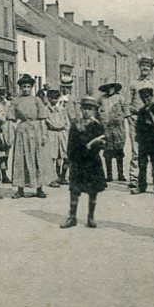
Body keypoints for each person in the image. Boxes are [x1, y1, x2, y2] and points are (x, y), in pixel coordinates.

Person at [60, 97, 107, 229]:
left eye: (90, 109)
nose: (86, 111)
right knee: (74, 189)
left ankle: (90, 217)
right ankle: (72, 217)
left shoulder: (98, 125)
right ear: (81, 109)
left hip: (92, 162)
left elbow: (103, 142)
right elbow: (70, 143)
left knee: (93, 190)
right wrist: (69, 158)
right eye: (84, 108)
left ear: (94, 111)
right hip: (78, 162)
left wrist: (97, 144)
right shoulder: (75, 124)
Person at [10, 74, 51, 199]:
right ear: (20, 88)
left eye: (28, 86)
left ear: (32, 87)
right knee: (20, 159)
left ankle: (39, 188)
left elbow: (43, 119)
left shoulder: (37, 100)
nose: (26, 89)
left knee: (37, 158)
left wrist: (44, 134)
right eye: (24, 87)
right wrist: (11, 134)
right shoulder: (15, 101)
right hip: (22, 131)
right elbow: (11, 119)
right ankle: (20, 188)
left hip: (36, 130)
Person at [128, 57, 154, 189]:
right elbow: (127, 102)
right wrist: (129, 116)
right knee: (136, 150)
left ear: (151, 68)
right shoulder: (133, 84)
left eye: (147, 66)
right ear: (139, 67)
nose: (145, 68)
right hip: (136, 119)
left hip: (151, 121)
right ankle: (134, 177)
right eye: (143, 65)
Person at [132, 87, 154, 194]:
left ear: (151, 97)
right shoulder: (141, 111)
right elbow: (138, 126)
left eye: (147, 97)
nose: (145, 100)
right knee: (142, 164)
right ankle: (142, 186)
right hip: (143, 141)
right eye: (143, 98)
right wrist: (138, 134)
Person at [98, 78, 129, 183]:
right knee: (107, 152)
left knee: (119, 151)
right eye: (107, 87)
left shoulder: (120, 98)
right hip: (106, 129)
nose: (109, 89)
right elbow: (97, 112)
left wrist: (119, 118)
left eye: (111, 87)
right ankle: (109, 175)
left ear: (115, 88)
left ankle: (120, 174)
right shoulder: (101, 99)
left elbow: (126, 112)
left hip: (118, 128)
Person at [45, 89, 69, 186]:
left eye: (56, 98)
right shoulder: (45, 110)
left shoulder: (61, 109)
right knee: (52, 157)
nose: (54, 100)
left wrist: (67, 133)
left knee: (65, 156)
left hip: (62, 134)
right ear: (48, 98)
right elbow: (44, 123)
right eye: (52, 98)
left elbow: (67, 122)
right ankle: (52, 178)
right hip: (51, 133)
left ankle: (62, 176)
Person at [0, 87, 16, 184]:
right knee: (0, 152)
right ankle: (2, 174)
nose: (2, 96)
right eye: (1, 94)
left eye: (4, 93)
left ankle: (4, 172)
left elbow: (13, 115)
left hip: (8, 128)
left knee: (7, 150)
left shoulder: (9, 104)